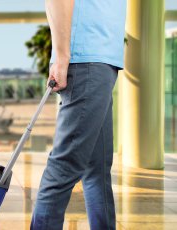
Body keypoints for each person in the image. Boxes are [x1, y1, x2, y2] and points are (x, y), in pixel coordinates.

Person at [31, 0, 127, 229]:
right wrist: (62, 56)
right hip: (87, 60)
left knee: (97, 169)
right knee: (64, 167)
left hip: (101, 62)